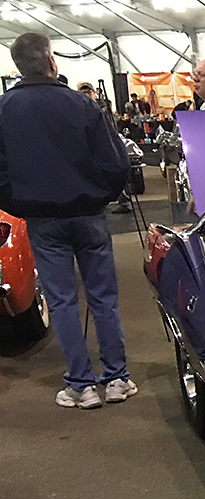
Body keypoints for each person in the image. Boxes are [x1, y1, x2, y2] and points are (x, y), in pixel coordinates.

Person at [0, 32, 135, 408]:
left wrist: (20, 204)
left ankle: (81, 385)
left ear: (18, 66)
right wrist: (100, 196)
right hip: (88, 213)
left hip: (42, 218)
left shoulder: (4, 110)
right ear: (51, 61)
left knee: (61, 301)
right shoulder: (83, 105)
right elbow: (117, 163)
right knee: (103, 298)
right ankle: (117, 378)